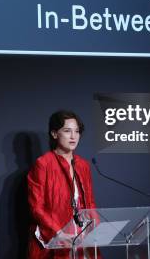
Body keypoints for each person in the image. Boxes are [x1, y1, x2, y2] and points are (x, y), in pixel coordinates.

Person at [27, 110, 101, 259]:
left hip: (83, 237)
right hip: (56, 237)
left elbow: (90, 203)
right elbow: (37, 208)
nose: (73, 136)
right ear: (54, 134)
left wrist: (97, 228)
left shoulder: (83, 165)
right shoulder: (43, 164)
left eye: (77, 131)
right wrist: (58, 233)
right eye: (67, 131)